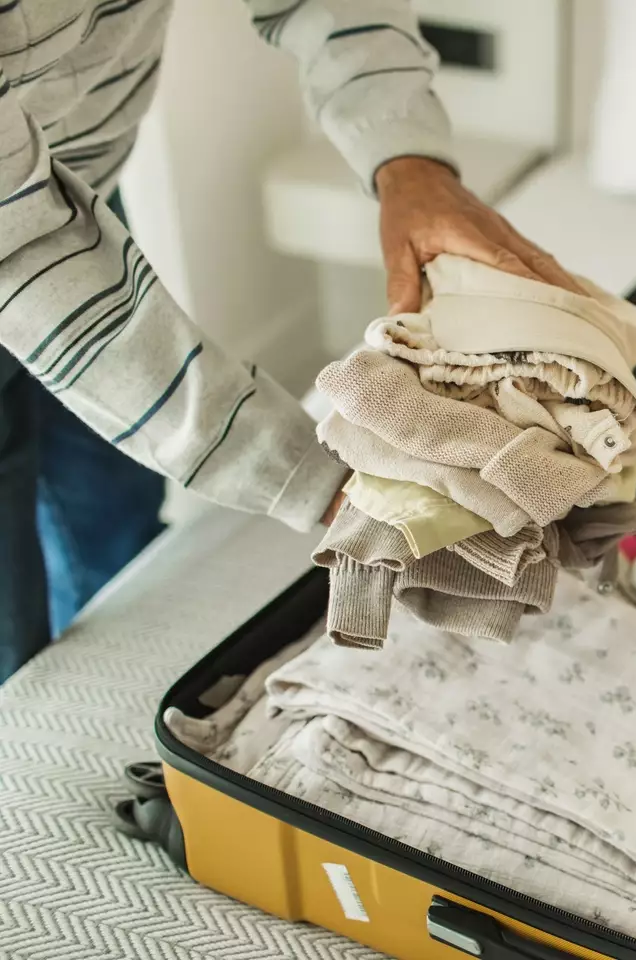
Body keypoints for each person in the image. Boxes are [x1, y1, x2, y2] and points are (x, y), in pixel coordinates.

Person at [0, 0, 581, 683]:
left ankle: (122, 678)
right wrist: (320, 480)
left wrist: (408, 159)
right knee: (12, 623)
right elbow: (28, 250)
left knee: (115, 508)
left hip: (73, 180)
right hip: (20, 232)